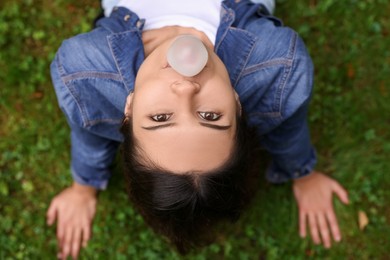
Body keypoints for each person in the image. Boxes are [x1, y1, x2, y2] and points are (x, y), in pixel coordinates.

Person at [46, 0, 349, 259]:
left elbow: (88, 132)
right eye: (210, 115)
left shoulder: (83, 72)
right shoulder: (278, 65)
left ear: (127, 110)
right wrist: (303, 175)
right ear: (238, 105)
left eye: (161, 118)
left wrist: (83, 187)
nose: (185, 88)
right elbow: (288, 129)